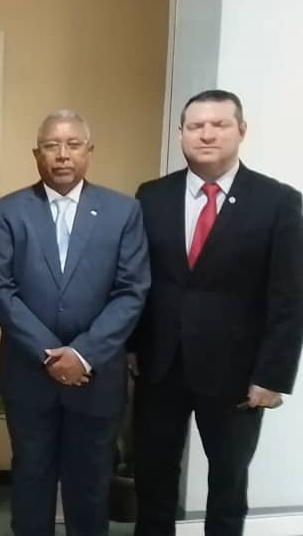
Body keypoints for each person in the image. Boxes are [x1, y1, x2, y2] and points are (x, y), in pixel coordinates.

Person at [130, 89, 303, 536]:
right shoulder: (151, 196)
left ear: (241, 131)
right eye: (195, 126)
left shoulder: (278, 202)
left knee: (228, 485)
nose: (206, 134)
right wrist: (130, 348)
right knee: (153, 479)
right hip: (160, 367)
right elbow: (136, 280)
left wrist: (273, 375)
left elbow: (289, 297)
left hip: (237, 376)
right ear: (181, 134)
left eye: (219, 124)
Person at [0, 110, 150, 536]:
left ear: (89, 151)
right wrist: (51, 356)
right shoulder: (7, 212)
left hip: (96, 378)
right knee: (30, 482)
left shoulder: (122, 211)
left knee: (90, 488)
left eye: (73, 145)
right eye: (51, 146)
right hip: (28, 377)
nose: (62, 155)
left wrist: (82, 355)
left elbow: (132, 291)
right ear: (36, 154)